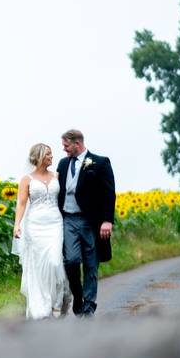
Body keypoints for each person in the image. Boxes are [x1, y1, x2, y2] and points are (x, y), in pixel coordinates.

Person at [56, 129, 116, 316]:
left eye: (66, 146)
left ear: (77, 143)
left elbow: (109, 193)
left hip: (91, 221)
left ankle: (88, 306)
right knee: (71, 260)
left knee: (91, 264)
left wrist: (107, 220)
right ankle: (79, 295)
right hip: (69, 219)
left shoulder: (100, 163)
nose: (64, 150)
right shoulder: (63, 164)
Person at [12, 143, 71, 319]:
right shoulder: (27, 179)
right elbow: (22, 203)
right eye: (48, 154)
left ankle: (57, 301)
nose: (52, 157)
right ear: (39, 157)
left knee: (54, 262)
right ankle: (41, 304)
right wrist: (17, 225)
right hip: (34, 225)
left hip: (55, 223)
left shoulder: (57, 176)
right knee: (38, 265)